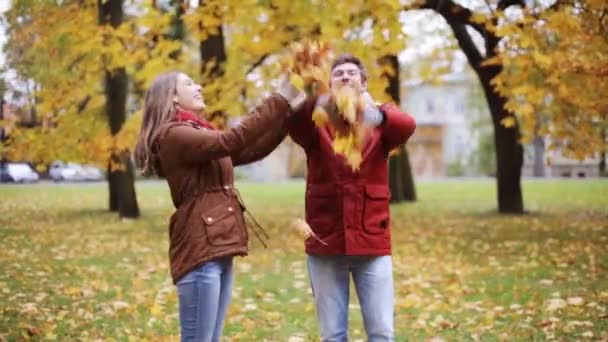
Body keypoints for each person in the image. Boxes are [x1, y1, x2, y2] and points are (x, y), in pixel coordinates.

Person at [134, 71, 305, 341]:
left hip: (217, 246)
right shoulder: (174, 135)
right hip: (201, 251)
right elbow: (232, 139)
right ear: (173, 97)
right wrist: (279, 98)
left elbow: (250, 150)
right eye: (189, 84)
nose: (199, 86)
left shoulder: (197, 133)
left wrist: (287, 116)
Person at [288, 54, 416, 341]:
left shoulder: (380, 122)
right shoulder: (316, 123)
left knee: (382, 332)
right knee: (333, 334)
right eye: (338, 74)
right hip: (325, 241)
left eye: (351, 73)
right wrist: (316, 98)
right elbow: (293, 121)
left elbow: (407, 125)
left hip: (371, 240)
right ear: (330, 84)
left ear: (363, 82)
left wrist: (376, 111)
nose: (345, 77)